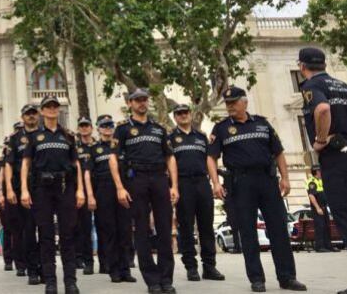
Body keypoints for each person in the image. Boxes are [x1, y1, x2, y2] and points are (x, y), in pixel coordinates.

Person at [207, 86, 306, 292]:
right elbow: (211, 157)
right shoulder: (221, 128)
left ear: (245, 102)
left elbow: (278, 152)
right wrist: (216, 183)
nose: (230, 107)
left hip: (267, 181)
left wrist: (285, 178)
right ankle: (256, 279)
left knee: (279, 229)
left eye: (234, 102)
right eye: (227, 104)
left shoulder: (262, 123)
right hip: (240, 183)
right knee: (248, 232)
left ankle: (287, 277)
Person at [109, 88, 178, 294]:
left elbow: (170, 157)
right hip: (136, 179)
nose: (141, 103)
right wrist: (120, 187)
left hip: (159, 178)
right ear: (130, 103)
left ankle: (166, 279)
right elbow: (113, 158)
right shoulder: (122, 130)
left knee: (165, 228)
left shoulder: (158, 128)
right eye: (137, 100)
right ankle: (152, 280)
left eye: (144, 100)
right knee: (141, 230)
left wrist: (174, 185)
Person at [20, 95, 85, 294]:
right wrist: (23, 189)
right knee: (46, 236)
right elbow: (26, 164)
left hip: (65, 187)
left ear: (58, 110)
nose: (51, 109)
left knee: (68, 235)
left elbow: (77, 165)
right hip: (41, 189)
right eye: (47, 107)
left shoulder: (68, 136)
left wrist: (81, 189)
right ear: (42, 111)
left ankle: (70, 282)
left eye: (54, 106)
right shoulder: (33, 137)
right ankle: (50, 281)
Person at [298, 47, 347, 278]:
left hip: (336, 157)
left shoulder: (312, 86)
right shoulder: (342, 85)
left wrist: (319, 139)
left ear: (302, 66)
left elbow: (322, 108)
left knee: (343, 211)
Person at [168, 104, 225, 282]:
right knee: (185, 226)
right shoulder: (170, 138)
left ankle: (209, 267)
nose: (183, 116)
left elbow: (210, 161)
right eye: (179, 113)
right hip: (183, 184)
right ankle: (191, 267)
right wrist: (173, 187)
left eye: (185, 112)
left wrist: (216, 183)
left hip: (202, 182)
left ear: (191, 115)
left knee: (206, 226)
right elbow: (170, 164)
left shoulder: (201, 136)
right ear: (175, 117)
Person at [82, 114, 136, 284]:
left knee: (125, 231)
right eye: (104, 126)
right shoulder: (93, 148)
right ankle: (113, 269)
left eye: (110, 125)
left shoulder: (121, 146)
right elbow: (87, 174)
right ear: (98, 128)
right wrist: (90, 195)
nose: (107, 128)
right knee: (109, 231)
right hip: (103, 191)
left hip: (122, 190)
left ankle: (125, 269)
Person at [5, 107, 42, 284]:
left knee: (45, 229)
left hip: (44, 187)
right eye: (28, 114)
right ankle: (31, 268)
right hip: (22, 188)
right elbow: (8, 165)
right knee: (27, 229)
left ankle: (45, 266)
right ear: (22, 117)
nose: (31, 116)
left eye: (34, 113)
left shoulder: (46, 133)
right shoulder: (15, 139)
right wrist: (10, 189)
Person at [74, 117, 95, 276]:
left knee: (104, 226)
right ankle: (85, 260)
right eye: (81, 126)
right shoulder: (75, 148)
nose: (84, 128)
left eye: (86, 125)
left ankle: (107, 260)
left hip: (100, 188)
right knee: (82, 227)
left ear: (92, 127)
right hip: (81, 189)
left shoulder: (98, 145)